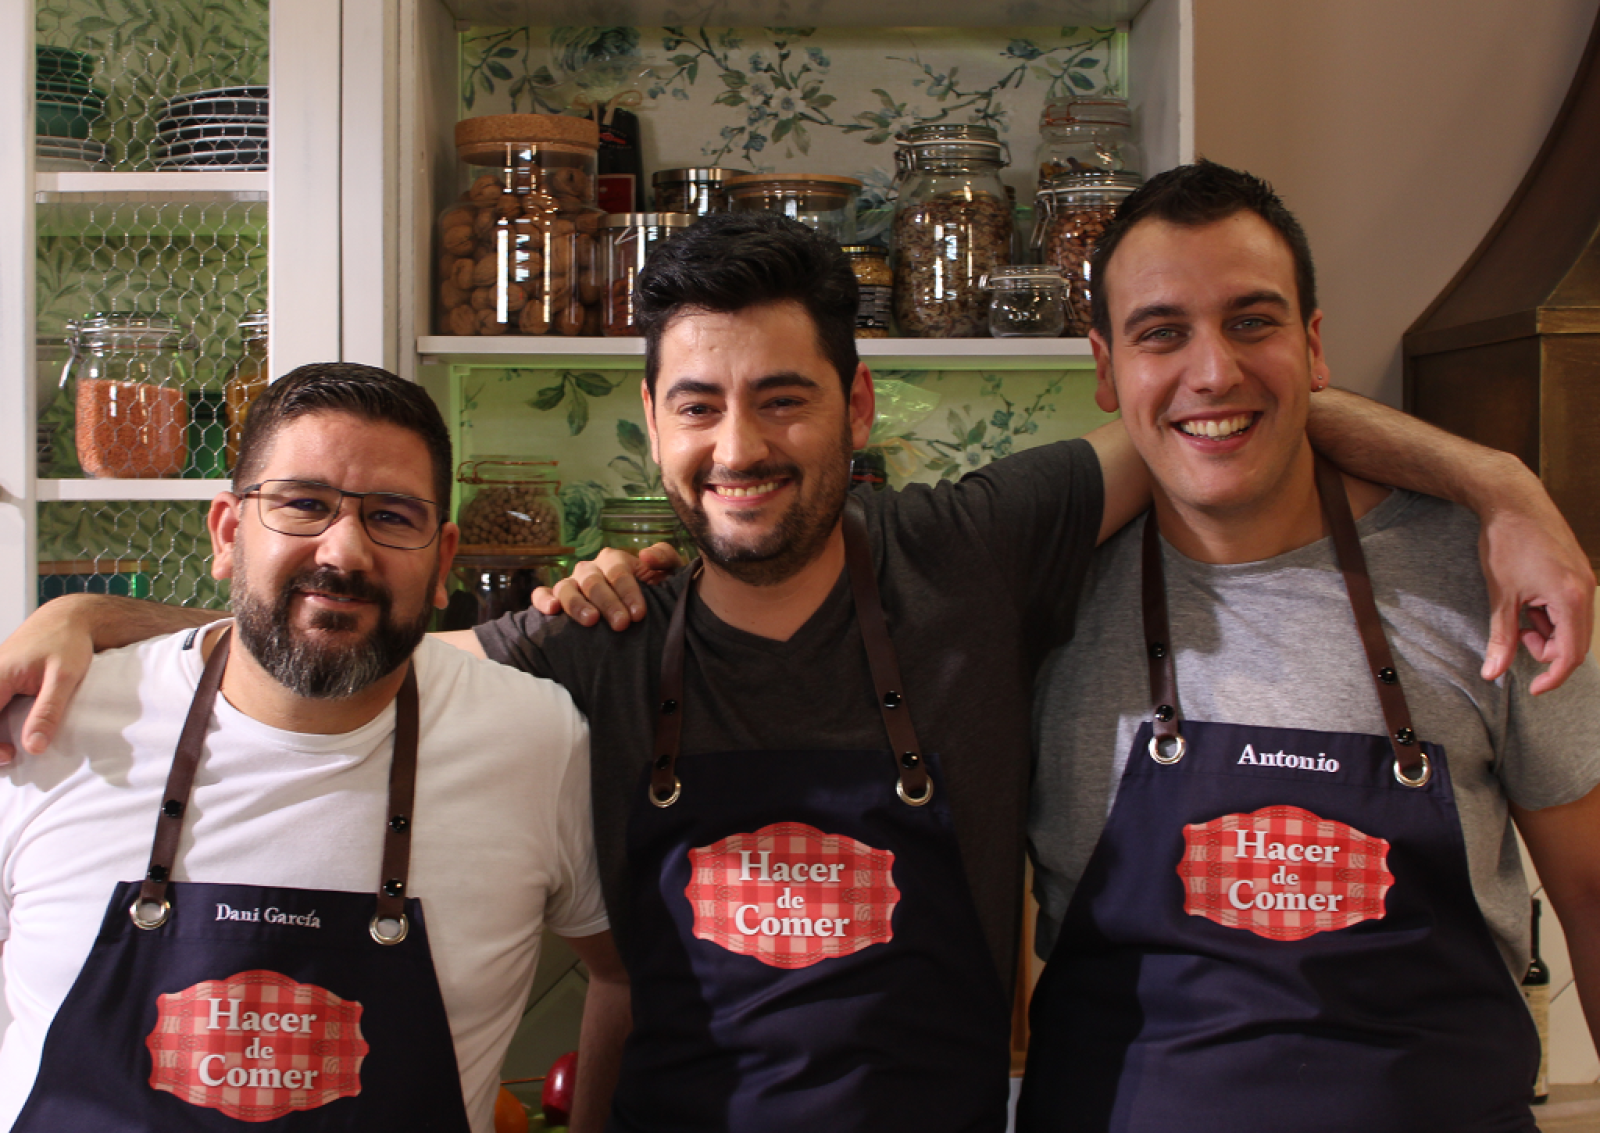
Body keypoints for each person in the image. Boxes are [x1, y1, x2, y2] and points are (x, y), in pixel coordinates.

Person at [0, 216, 1592, 1133]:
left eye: (783, 400)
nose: (740, 446)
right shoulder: (590, 649)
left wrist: (1500, 484)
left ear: (857, 401)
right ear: (652, 423)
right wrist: (91, 627)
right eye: (699, 406)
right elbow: (341, 632)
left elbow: (1222, 407)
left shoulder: (974, 548)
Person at [1018, 161, 1600, 1133]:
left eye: (1252, 321)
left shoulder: (1486, 574)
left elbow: (1589, 889)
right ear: (1105, 369)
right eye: (1162, 332)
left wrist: (1498, 489)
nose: (1214, 370)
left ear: (1313, 343)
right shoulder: (1038, 594)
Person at [0, 364, 626, 1133]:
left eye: (393, 516)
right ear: (228, 533)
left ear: (443, 559)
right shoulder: (45, 721)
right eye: (303, 504)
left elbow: (623, 977)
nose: (345, 551)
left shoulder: (536, 740)